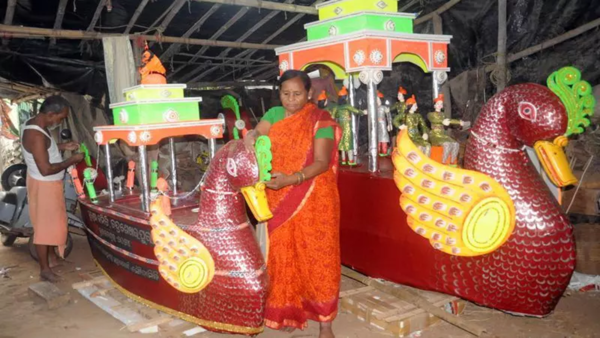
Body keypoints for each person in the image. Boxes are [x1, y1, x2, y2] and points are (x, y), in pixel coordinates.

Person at [244, 70, 341, 338]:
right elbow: (258, 132)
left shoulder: (320, 119)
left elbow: (321, 162)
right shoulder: (274, 114)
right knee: (282, 255)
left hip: (314, 198)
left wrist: (291, 179)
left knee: (319, 258)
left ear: (309, 93)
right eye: (285, 93)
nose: (291, 99)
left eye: (297, 94)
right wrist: (251, 139)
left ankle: (325, 323)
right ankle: (287, 310)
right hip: (277, 194)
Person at [21, 95, 83, 282]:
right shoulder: (37, 134)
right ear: (50, 114)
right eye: (61, 117)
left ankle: (53, 258)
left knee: (53, 224)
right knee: (44, 228)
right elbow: (46, 169)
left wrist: (63, 146)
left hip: (46, 183)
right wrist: (72, 160)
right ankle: (44, 269)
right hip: (44, 184)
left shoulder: (36, 125)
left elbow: (43, 149)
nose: (61, 121)